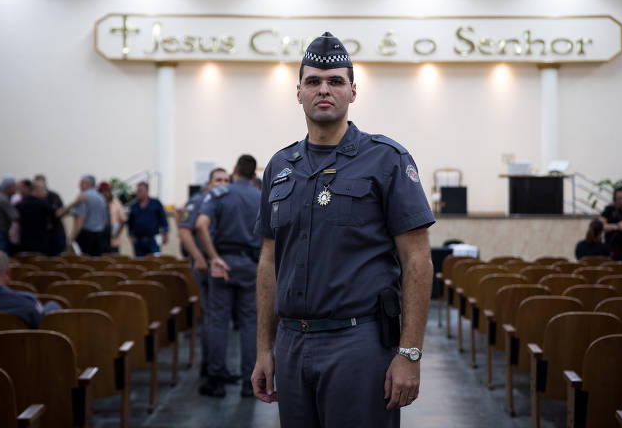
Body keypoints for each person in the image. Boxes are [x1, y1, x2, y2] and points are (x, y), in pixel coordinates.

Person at [251, 32, 435, 427]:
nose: (324, 89)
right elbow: (269, 261)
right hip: (291, 342)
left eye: (336, 81)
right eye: (314, 81)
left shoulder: (386, 160)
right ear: (298, 91)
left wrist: (410, 353)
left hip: (359, 344)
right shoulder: (280, 167)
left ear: (353, 91)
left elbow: (418, 260)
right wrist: (264, 349)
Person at [195, 156, 261, 398]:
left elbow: (201, 225)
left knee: (218, 321)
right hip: (252, 265)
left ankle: (216, 380)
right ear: (254, 175)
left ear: (234, 171)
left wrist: (213, 257)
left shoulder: (219, 194)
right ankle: (249, 383)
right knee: (250, 323)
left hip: (223, 264)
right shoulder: (260, 196)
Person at [177, 167, 234, 381]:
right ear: (209, 183)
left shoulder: (224, 201)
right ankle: (210, 367)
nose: (221, 183)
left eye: (225, 180)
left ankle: (215, 365)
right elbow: (184, 230)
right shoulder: (200, 200)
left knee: (218, 318)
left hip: (220, 266)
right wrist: (198, 257)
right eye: (217, 179)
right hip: (204, 265)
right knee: (213, 317)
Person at [68, 175, 109, 256]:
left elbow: (80, 219)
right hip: (99, 235)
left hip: (86, 236)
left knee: (84, 262)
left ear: (87, 184)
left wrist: (71, 238)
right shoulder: (101, 198)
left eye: (81, 183)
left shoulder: (83, 197)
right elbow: (104, 221)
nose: (79, 185)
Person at [127, 182, 169, 257]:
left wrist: (165, 234)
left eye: (140, 191)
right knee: (139, 263)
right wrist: (131, 236)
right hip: (138, 241)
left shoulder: (156, 203)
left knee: (154, 263)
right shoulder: (134, 206)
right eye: (137, 191)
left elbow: (163, 220)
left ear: (146, 191)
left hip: (153, 240)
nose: (137, 193)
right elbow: (130, 223)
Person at [34, 174, 67, 256]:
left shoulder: (54, 196)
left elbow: (60, 212)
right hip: (41, 234)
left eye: (43, 186)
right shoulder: (32, 200)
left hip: (56, 231)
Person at [98, 181, 126, 254]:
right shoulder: (97, 204)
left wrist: (117, 233)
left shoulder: (116, 203)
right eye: (102, 191)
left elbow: (123, 220)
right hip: (99, 241)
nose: (105, 193)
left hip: (113, 241)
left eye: (107, 191)